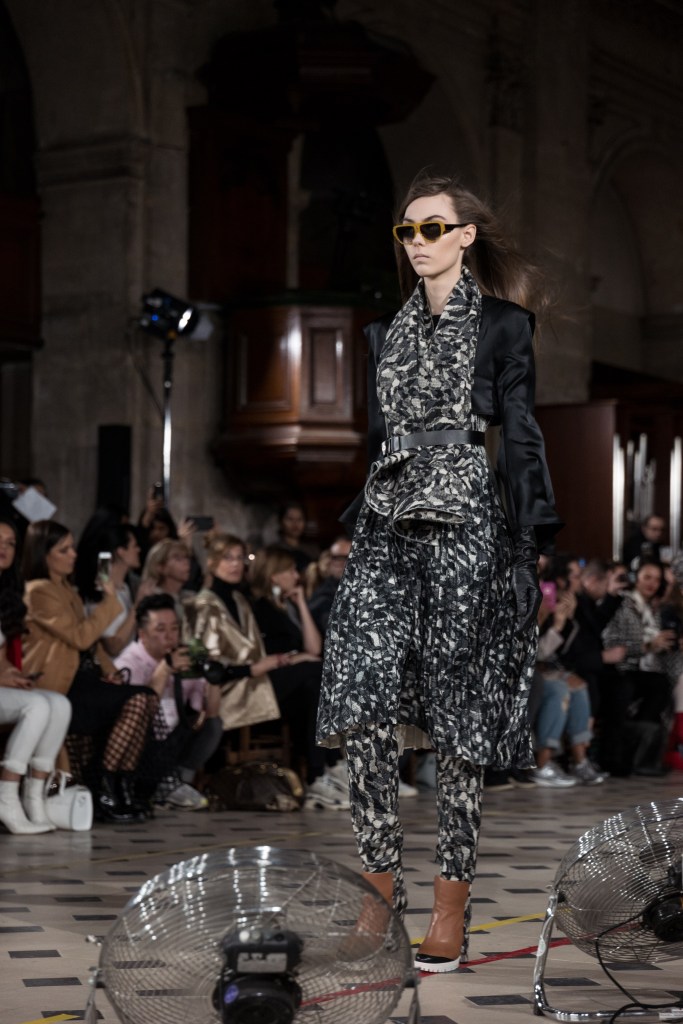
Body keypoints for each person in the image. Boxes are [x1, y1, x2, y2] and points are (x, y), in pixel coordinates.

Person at [316, 170, 562, 973]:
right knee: (361, 700)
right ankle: (377, 894)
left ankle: (450, 904)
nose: (416, 241)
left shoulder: (502, 325)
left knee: (457, 719)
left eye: (431, 227)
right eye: (406, 230)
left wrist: (526, 548)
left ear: (464, 236)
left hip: (465, 525)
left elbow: (518, 434)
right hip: (385, 526)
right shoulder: (380, 336)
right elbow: (379, 441)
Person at [21, 520, 159, 822]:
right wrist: (110, 601)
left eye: (72, 548)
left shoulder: (66, 589)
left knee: (146, 697)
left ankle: (120, 786)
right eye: (64, 550)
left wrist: (110, 671)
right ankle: (104, 786)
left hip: (84, 678)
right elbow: (81, 636)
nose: (74, 554)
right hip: (60, 684)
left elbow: (91, 645)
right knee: (138, 698)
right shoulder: (39, 592)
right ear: (44, 554)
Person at [249, 544, 351, 809]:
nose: (297, 576)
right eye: (291, 571)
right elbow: (263, 655)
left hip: (298, 684)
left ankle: (323, 771)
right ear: (274, 575)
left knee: (315, 684)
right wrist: (298, 658)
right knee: (320, 673)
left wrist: (302, 604)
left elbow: (315, 649)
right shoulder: (260, 609)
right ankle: (324, 769)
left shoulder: (288, 606)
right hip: (267, 685)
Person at [114, 595, 221, 810]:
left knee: (213, 725)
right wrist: (165, 668)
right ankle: (143, 787)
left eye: (174, 628)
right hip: (140, 748)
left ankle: (178, 781)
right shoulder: (128, 664)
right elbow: (142, 711)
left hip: (172, 743)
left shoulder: (183, 657)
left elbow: (210, 711)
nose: (170, 636)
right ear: (142, 634)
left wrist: (213, 677)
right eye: (161, 630)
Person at [0, 518, 72, 834]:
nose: (4, 548)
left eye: (10, 543)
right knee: (37, 706)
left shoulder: (5, 593)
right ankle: (6, 797)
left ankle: (35, 796)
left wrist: (12, 674)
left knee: (59, 704)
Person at [601, 559, 674, 775]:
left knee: (662, 684)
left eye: (657, 580)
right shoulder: (623, 603)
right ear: (636, 578)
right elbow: (611, 641)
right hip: (620, 667)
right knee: (633, 687)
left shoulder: (653, 608)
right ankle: (622, 752)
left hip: (645, 668)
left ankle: (640, 748)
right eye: (647, 577)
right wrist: (647, 646)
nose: (652, 583)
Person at [308, 537, 352, 635]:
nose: (344, 563)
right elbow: (338, 632)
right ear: (329, 561)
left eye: (351, 557)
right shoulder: (323, 597)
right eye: (338, 558)